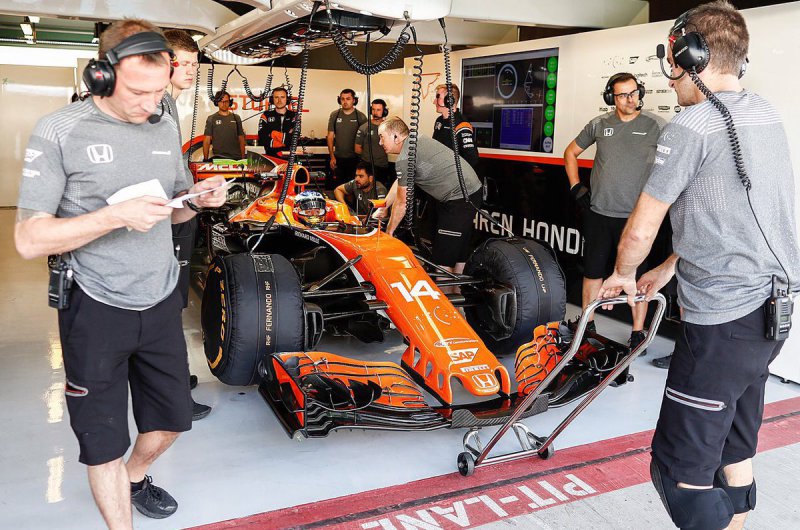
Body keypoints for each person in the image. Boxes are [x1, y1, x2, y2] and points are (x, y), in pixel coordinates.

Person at [14, 20, 227, 527]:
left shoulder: (163, 123)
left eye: (159, 91)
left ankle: (134, 477)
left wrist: (198, 200)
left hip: (159, 298)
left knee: (172, 421)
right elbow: (29, 239)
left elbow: (172, 209)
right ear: (101, 76)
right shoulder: (60, 130)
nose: (151, 104)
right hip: (94, 304)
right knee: (103, 440)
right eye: (138, 92)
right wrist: (113, 216)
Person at [598, 3, 800, 529]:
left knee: (679, 476)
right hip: (768, 321)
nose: (670, 76)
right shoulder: (767, 114)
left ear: (693, 56)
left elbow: (639, 229)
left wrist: (623, 274)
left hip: (720, 327)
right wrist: (671, 266)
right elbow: (734, 214)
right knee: (734, 448)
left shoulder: (690, 126)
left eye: (673, 60)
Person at [563, 72, 665, 354]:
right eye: (623, 95)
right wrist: (575, 186)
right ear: (611, 98)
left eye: (634, 93)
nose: (631, 99)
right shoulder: (599, 124)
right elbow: (570, 153)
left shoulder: (656, 125)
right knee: (593, 271)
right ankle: (587, 325)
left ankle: (638, 334)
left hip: (636, 218)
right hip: (599, 213)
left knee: (638, 276)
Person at [162, 28, 212, 421]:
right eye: (186, 63)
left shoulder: (167, 104)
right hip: (170, 218)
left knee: (173, 303)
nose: (193, 70)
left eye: (196, 63)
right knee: (168, 306)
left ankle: (174, 378)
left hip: (178, 212)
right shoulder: (159, 106)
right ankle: (172, 391)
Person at [379, 116, 482, 275]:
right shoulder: (415, 139)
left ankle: (446, 291)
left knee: (442, 261)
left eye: (382, 137)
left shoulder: (405, 157)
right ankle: (457, 289)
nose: (380, 143)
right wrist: (385, 205)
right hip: (470, 192)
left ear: (396, 137)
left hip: (459, 199)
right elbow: (401, 181)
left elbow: (401, 202)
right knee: (458, 253)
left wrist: (389, 232)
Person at [432, 83, 479, 170]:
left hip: (452, 174)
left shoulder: (462, 124)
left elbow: (472, 159)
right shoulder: (439, 120)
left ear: (449, 100)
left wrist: (452, 171)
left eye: (438, 97)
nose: (434, 101)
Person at [327, 88, 367, 189]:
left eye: (348, 99)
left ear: (354, 100)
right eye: (342, 99)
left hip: (355, 159)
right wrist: (332, 156)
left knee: (353, 188)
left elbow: (365, 140)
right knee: (337, 188)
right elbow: (330, 136)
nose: (345, 102)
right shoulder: (334, 115)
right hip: (338, 158)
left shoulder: (361, 117)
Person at [355, 98, 392, 186]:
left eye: (378, 110)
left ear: (384, 111)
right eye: (373, 109)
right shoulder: (364, 127)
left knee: (381, 190)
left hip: (382, 166)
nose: (375, 113)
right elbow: (357, 149)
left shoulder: (389, 127)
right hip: (367, 167)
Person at [203, 90, 245, 160]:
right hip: (218, 158)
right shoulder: (211, 119)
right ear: (217, 102)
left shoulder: (236, 118)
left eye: (226, 101)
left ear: (230, 102)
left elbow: (241, 139)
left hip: (236, 158)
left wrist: (243, 158)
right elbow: (207, 141)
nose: (224, 104)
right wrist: (205, 159)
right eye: (221, 101)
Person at [257, 86, 296, 158]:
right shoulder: (266, 115)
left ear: (287, 99)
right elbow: (262, 138)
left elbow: (294, 139)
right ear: (272, 99)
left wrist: (273, 133)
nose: (279, 100)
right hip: (271, 157)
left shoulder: (294, 116)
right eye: (276, 97)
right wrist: (284, 140)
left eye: (282, 97)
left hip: (290, 158)